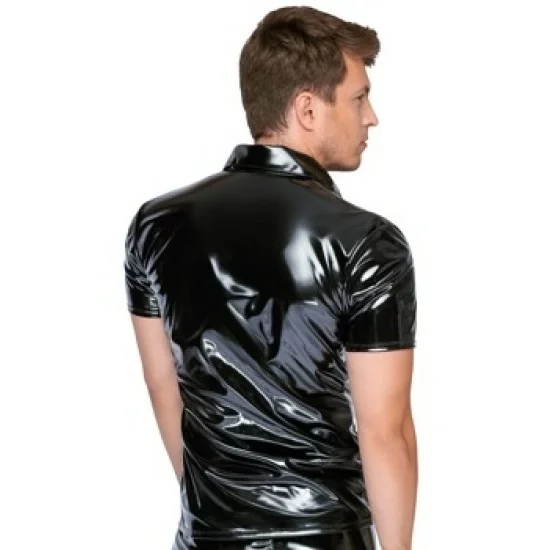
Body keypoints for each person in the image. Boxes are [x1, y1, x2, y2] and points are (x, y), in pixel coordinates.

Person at [124, 6, 418, 550]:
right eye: (359, 98)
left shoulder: (156, 225)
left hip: (208, 535)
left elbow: (163, 384)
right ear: (308, 108)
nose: (372, 117)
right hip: (324, 535)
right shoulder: (367, 242)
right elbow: (386, 432)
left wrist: (217, 510)